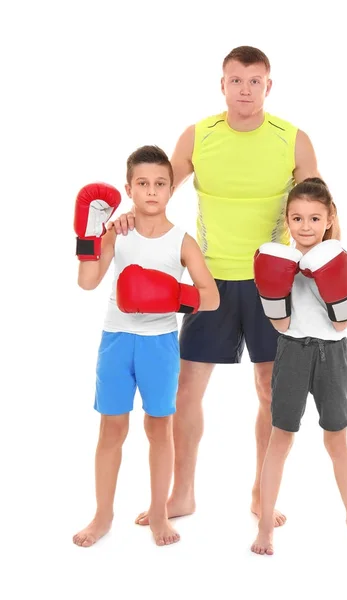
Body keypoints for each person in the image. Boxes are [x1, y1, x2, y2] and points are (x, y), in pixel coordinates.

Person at [112, 46, 337, 528]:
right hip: (209, 277)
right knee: (187, 388)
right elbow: (159, 189)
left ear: (268, 86)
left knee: (269, 388)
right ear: (222, 84)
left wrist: (331, 265)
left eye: (255, 81)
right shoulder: (199, 136)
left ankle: (261, 491)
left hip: (273, 280)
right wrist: (131, 213)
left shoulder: (293, 139)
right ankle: (182, 493)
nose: (245, 90)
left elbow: (320, 206)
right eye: (236, 80)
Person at [72, 145, 219, 547]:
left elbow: (212, 297)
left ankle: (158, 512)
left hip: (159, 346)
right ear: (129, 188)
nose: (151, 191)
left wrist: (169, 295)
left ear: (172, 189)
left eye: (159, 184)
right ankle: (102, 516)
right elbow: (87, 282)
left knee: (159, 430)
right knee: (111, 431)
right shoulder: (116, 234)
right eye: (142, 184)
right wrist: (90, 236)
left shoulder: (182, 241)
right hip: (116, 341)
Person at [251, 178, 347, 555]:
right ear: (287, 221)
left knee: (337, 440)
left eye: (313, 218)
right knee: (281, 439)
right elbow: (280, 325)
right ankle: (264, 527)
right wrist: (277, 285)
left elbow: (341, 324)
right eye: (297, 218)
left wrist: (327, 283)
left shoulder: (336, 259)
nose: (305, 226)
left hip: (332, 354)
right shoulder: (279, 262)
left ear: (328, 219)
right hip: (291, 350)